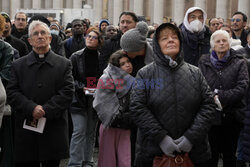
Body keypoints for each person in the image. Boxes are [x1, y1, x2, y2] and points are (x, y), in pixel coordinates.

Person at [129, 23, 216, 167]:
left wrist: (190, 137)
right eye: (164, 38)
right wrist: (161, 138)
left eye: (174, 37)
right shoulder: (145, 74)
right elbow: (137, 107)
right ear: (157, 45)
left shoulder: (195, 72)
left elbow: (208, 105)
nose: (170, 40)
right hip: (154, 151)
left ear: (180, 42)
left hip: (193, 151)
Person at [6, 20, 74, 167]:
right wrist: (32, 108)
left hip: (53, 127)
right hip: (26, 128)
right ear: (30, 41)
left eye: (44, 33)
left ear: (50, 38)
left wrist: (45, 110)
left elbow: (67, 92)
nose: (40, 36)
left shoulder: (64, 64)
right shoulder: (18, 65)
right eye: (35, 34)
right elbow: (12, 92)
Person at [198, 30, 249, 167]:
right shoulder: (204, 60)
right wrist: (211, 97)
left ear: (229, 43)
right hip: (210, 116)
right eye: (218, 41)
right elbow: (200, 85)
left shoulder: (239, 61)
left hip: (233, 116)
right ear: (212, 45)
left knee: (229, 155)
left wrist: (218, 95)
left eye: (224, 41)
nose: (221, 43)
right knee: (211, 155)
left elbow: (242, 87)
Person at [68, 30, 103, 167]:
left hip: (95, 99)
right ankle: (75, 163)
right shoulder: (76, 56)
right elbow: (69, 77)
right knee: (79, 131)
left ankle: (87, 161)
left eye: (94, 37)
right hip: (78, 99)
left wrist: (98, 88)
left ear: (99, 41)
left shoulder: (102, 57)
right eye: (89, 36)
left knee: (90, 132)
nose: (90, 39)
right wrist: (82, 87)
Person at [93, 50, 134, 167]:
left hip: (126, 126)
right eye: (122, 64)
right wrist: (118, 116)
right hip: (109, 125)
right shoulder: (105, 79)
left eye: (128, 61)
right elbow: (100, 103)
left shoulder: (133, 80)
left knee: (125, 161)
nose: (128, 65)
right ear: (116, 67)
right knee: (108, 161)